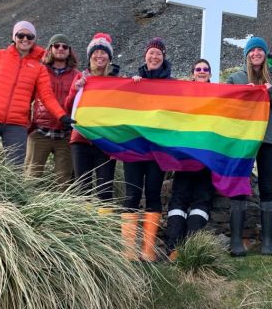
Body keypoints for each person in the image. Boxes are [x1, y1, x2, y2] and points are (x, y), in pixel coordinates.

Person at [0, 21, 73, 165]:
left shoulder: (39, 68)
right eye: (21, 35)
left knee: (15, 170)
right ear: (14, 37)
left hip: (17, 124)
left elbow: (47, 96)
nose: (25, 39)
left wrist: (61, 116)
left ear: (34, 40)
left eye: (29, 36)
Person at [226, 36, 272, 256]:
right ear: (246, 54)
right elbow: (226, 108)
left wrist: (270, 90)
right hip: (242, 141)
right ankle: (236, 242)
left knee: (266, 187)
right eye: (252, 50)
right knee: (239, 185)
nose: (256, 53)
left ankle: (268, 243)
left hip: (267, 140)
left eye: (259, 50)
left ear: (265, 54)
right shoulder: (235, 79)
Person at [122, 37, 173, 262]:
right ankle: (129, 250)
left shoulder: (171, 84)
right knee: (132, 194)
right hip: (134, 147)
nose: (154, 57)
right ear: (145, 56)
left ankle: (148, 249)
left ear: (163, 58)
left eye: (158, 54)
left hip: (156, 151)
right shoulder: (135, 81)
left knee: (153, 194)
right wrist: (131, 87)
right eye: (151, 53)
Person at [164, 59, 217, 260]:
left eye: (205, 69)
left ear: (210, 74)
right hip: (185, 157)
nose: (202, 71)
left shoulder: (219, 94)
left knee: (202, 200)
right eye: (198, 69)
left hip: (208, 156)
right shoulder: (183, 93)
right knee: (179, 198)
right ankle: (174, 248)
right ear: (193, 73)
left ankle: (193, 248)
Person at [65, 32, 121, 202]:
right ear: (90, 55)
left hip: (106, 142)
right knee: (83, 190)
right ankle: (85, 227)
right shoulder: (80, 78)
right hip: (81, 140)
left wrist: (135, 82)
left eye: (103, 52)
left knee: (105, 190)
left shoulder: (116, 81)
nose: (99, 55)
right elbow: (68, 107)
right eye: (96, 52)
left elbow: (123, 109)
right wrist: (76, 89)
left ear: (109, 57)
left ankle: (104, 225)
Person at [24, 34, 80, 188]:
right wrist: (29, 126)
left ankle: (59, 212)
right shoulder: (38, 71)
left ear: (69, 51)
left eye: (64, 46)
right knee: (31, 178)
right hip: (40, 133)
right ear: (50, 49)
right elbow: (25, 97)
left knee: (63, 182)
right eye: (56, 46)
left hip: (65, 135)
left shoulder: (77, 76)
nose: (60, 49)